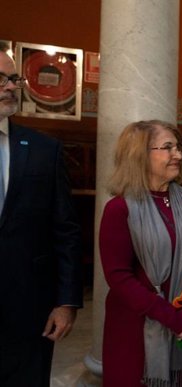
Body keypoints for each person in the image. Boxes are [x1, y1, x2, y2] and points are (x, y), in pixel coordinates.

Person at [99, 120, 182, 386]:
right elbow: (118, 277)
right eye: (167, 148)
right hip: (135, 327)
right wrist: (173, 319)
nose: (178, 154)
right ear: (139, 154)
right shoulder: (119, 209)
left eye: (178, 147)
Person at [0, 51, 82, 386]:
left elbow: (65, 230)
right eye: (1, 79)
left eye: (13, 79)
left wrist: (66, 301)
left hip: (28, 311)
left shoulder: (44, 150)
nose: (10, 87)